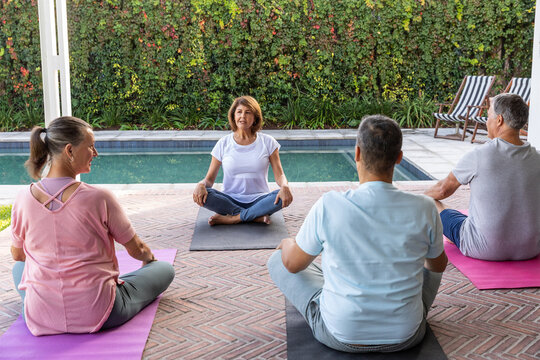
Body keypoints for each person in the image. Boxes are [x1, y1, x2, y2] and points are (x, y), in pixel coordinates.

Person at [267, 115, 447, 353]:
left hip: (340, 334)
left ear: (357, 153)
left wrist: (288, 242)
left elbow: (292, 264)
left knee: (278, 261)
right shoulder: (425, 207)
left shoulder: (329, 204)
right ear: (400, 158)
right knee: (434, 262)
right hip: (406, 334)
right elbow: (437, 265)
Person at [10, 116, 175, 336]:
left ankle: (45, 303)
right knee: (164, 269)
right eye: (91, 147)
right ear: (69, 150)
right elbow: (137, 250)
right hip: (101, 313)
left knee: (18, 269)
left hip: (41, 315)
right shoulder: (99, 197)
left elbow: (18, 256)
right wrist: (150, 260)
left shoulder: (23, 198)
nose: (95, 153)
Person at [425, 93, 540, 261]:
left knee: (431, 203)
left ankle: (452, 235)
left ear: (499, 120)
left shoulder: (480, 155)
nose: (487, 122)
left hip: (484, 249)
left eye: (488, 116)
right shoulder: (537, 158)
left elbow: (442, 190)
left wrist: (417, 199)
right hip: (531, 248)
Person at [193, 96, 293, 225]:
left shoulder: (268, 142)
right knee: (206, 195)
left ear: (255, 117)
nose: (243, 116)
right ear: (234, 116)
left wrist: (285, 186)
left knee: (280, 197)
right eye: (239, 112)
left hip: (260, 199)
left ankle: (234, 218)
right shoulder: (223, 143)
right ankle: (255, 215)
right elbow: (209, 180)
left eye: (248, 112)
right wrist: (200, 185)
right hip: (229, 200)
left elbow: (280, 175)